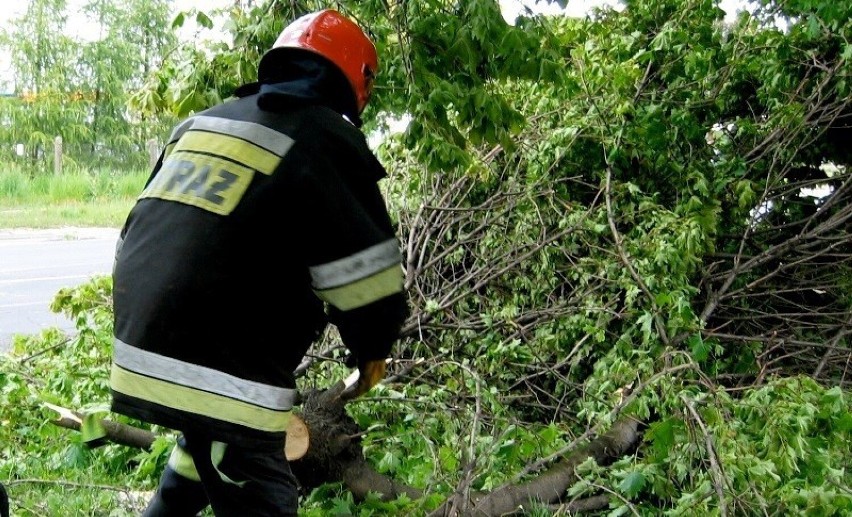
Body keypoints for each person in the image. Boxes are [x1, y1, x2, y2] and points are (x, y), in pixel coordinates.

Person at [108, 9, 409, 516]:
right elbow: (366, 277)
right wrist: (373, 350)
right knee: (265, 488)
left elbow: (155, 232)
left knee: (203, 447)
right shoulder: (323, 138)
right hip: (222, 365)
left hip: (136, 347)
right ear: (357, 82)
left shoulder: (204, 122)